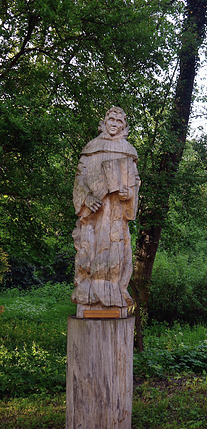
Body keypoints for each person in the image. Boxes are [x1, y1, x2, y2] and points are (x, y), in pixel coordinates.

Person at [71, 106, 140, 318]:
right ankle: (88, 295)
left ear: (124, 126)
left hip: (117, 216)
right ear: (104, 122)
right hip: (94, 216)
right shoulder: (91, 148)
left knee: (117, 252)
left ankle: (114, 294)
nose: (114, 124)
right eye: (111, 119)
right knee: (88, 251)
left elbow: (135, 182)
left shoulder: (128, 150)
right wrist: (87, 198)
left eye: (119, 121)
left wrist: (128, 193)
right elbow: (80, 179)